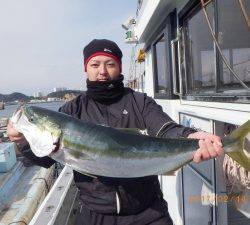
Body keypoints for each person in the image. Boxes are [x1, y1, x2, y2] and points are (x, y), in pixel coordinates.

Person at [7, 39, 224, 225]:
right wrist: (22, 141)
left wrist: (188, 136)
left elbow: (165, 127)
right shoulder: (73, 110)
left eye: (110, 64)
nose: (102, 71)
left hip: (149, 212)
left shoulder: (139, 102)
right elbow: (45, 159)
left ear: (119, 67)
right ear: (86, 68)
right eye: (95, 64)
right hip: (96, 215)